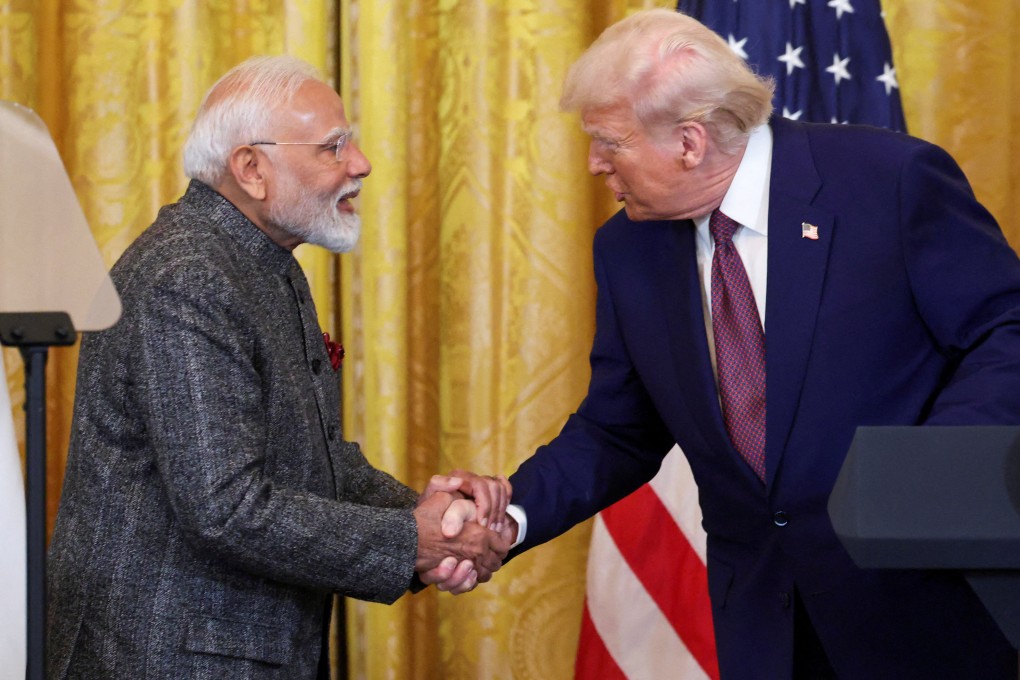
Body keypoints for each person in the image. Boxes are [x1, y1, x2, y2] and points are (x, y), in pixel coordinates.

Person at [490, 9, 1020, 679]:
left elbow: (1005, 329)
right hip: (765, 628)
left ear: (689, 142)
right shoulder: (628, 249)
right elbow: (617, 430)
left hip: (919, 608)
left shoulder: (889, 181)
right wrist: (509, 515)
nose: (594, 164)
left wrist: (927, 470)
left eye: (608, 142)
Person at [46, 55, 509, 679]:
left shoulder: (259, 261)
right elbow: (225, 507)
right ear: (251, 169)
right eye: (333, 146)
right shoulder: (188, 277)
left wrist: (430, 515)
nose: (361, 163)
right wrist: (415, 540)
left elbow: (315, 462)